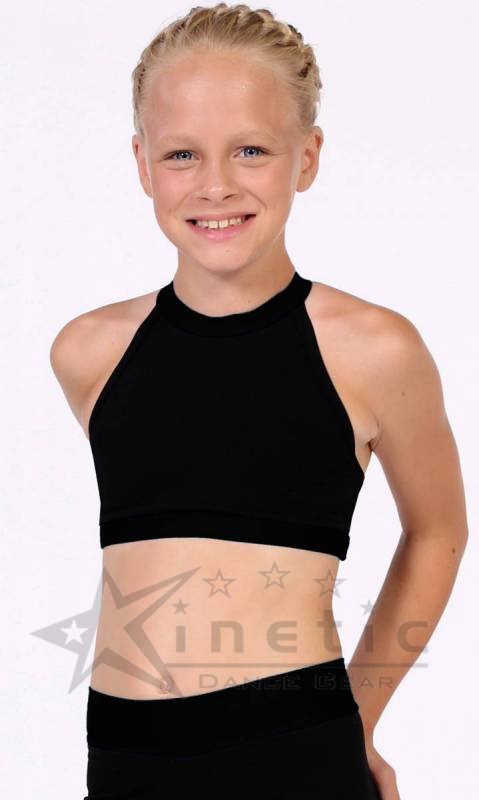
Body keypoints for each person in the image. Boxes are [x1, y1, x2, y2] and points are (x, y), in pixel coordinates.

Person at [49, 4, 468, 799]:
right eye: (181, 153)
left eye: (250, 149)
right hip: (125, 759)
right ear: (141, 164)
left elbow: (438, 528)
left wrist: (360, 716)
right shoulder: (88, 352)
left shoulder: (373, 349)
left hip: (294, 750)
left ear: (306, 157)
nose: (215, 184)